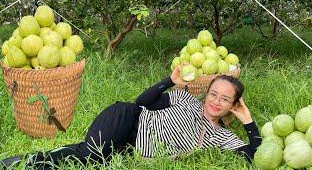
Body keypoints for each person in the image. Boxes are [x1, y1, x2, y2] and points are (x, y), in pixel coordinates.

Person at [1, 66, 261, 169]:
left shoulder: (222, 135)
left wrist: (249, 122)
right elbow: (141, 103)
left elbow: (253, 156)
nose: (216, 102)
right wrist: (168, 81)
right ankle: (27, 162)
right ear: (207, 93)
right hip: (128, 117)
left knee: (99, 161)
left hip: (129, 147)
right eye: (213, 94)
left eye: (225, 99)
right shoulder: (186, 99)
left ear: (233, 105)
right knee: (91, 155)